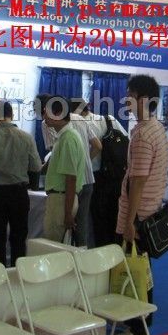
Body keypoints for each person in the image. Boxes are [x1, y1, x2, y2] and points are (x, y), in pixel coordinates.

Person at [115, 75, 168, 335]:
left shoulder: (144, 134)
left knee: (134, 270)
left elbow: (138, 181)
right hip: (149, 210)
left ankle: (138, 327)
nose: (126, 99)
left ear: (144, 100)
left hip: (138, 215)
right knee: (141, 269)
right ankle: (139, 323)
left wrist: (129, 221)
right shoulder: (154, 128)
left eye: (131, 94)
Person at [0, 100, 40, 266]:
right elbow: (36, 167)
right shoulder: (26, 137)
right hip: (19, 193)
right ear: (12, 115)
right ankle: (17, 273)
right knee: (19, 237)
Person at [70, 97, 128, 247]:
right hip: (116, 177)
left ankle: (99, 251)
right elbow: (126, 141)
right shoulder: (109, 119)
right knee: (114, 216)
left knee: (95, 220)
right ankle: (116, 249)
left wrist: (86, 162)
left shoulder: (78, 124)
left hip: (94, 177)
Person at [42, 97, 86, 243]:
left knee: (53, 247)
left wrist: (67, 214)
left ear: (58, 113)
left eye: (46, 112)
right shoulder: (64, 136)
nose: (44, 115)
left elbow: (71, 178)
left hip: (61, 200)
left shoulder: (68, 138)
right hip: (60, 199)